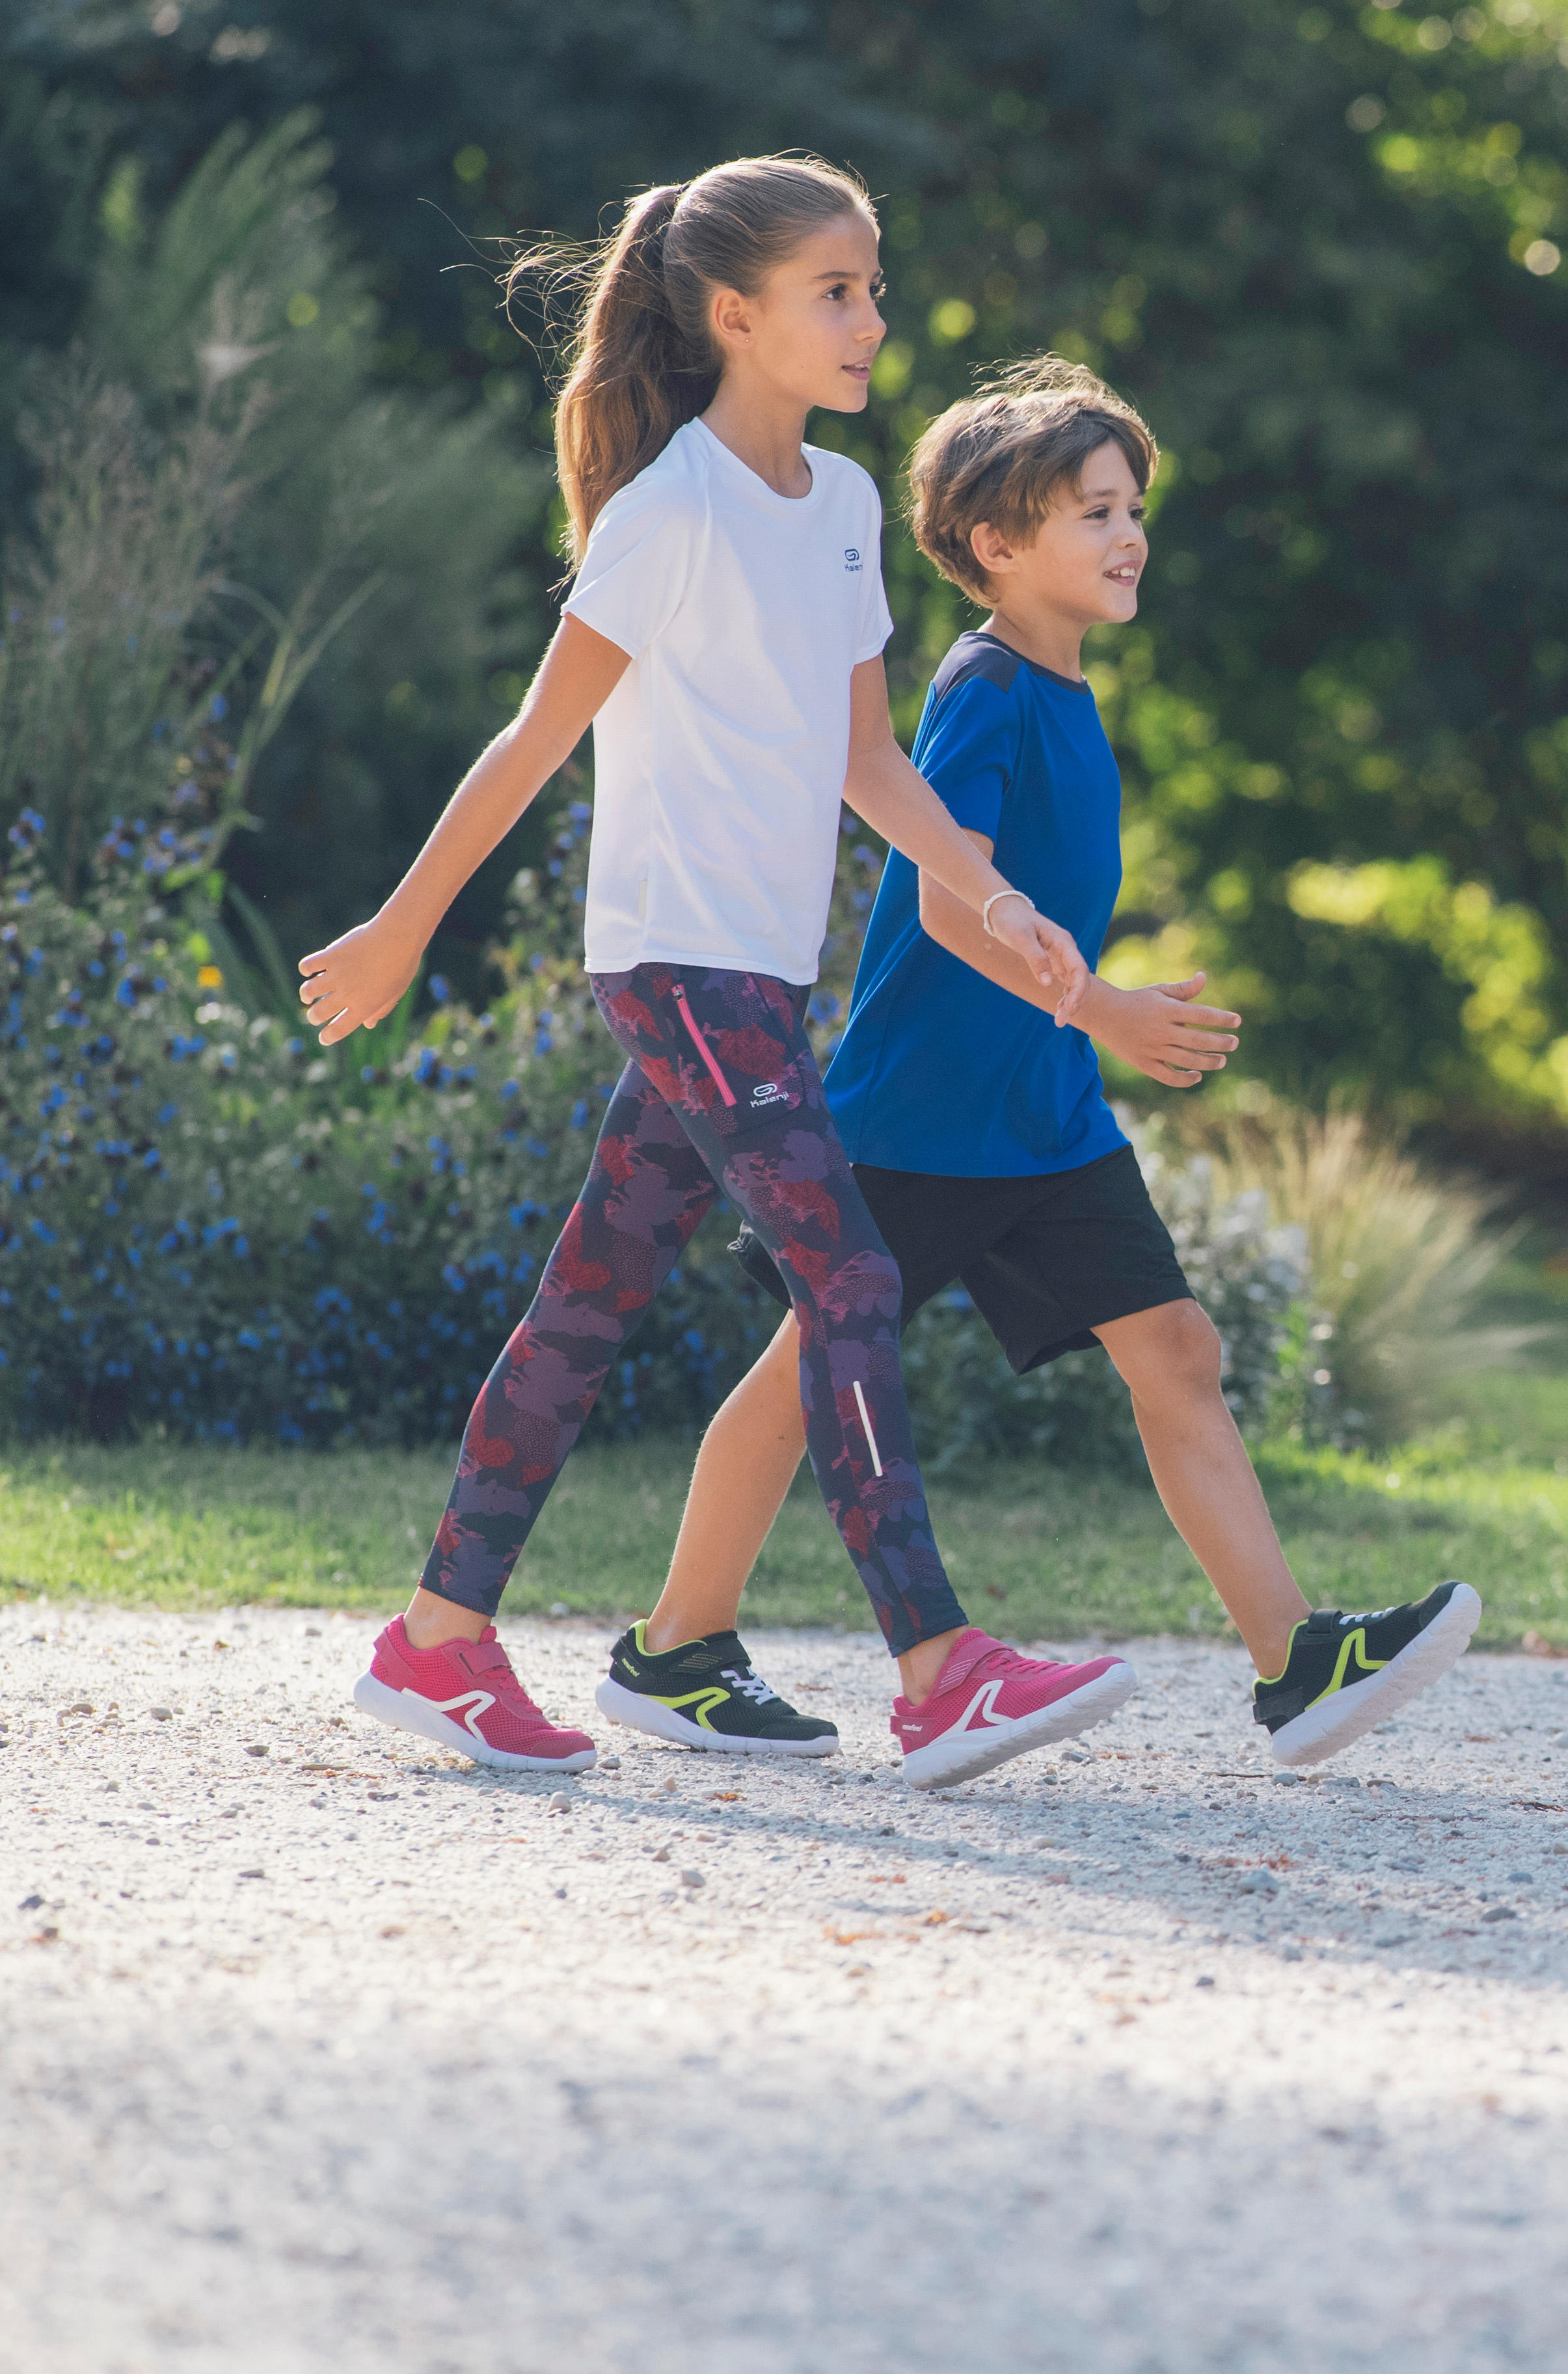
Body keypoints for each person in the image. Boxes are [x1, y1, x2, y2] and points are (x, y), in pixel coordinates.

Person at [303, 156, 1136, 1790]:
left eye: (875, 287)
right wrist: (404, 925)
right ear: (734, 314)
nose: (872, 320)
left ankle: (439, 1642)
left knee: (585, 1307)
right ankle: (942, 1665)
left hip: (758, 972)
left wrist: (993, 894)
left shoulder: (832, 509)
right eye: (839, 292)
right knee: (857, 1281)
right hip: (680, 966)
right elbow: (538, 735)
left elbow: (866, 760)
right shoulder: (669, 512)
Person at [615, 357, 1481, 1773]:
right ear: (997, 545)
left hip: (1042, 1121)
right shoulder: (990, 690)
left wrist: (1083, 1042)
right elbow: (956, 900)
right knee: (803, 1380)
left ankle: (1296, 1665)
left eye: (1132, 506)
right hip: (926, 1121)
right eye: (1093, 510)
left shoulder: (1065, 695)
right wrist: (1109, 1016)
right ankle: (677, 1648)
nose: (1129, 532)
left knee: (1179, 1353)